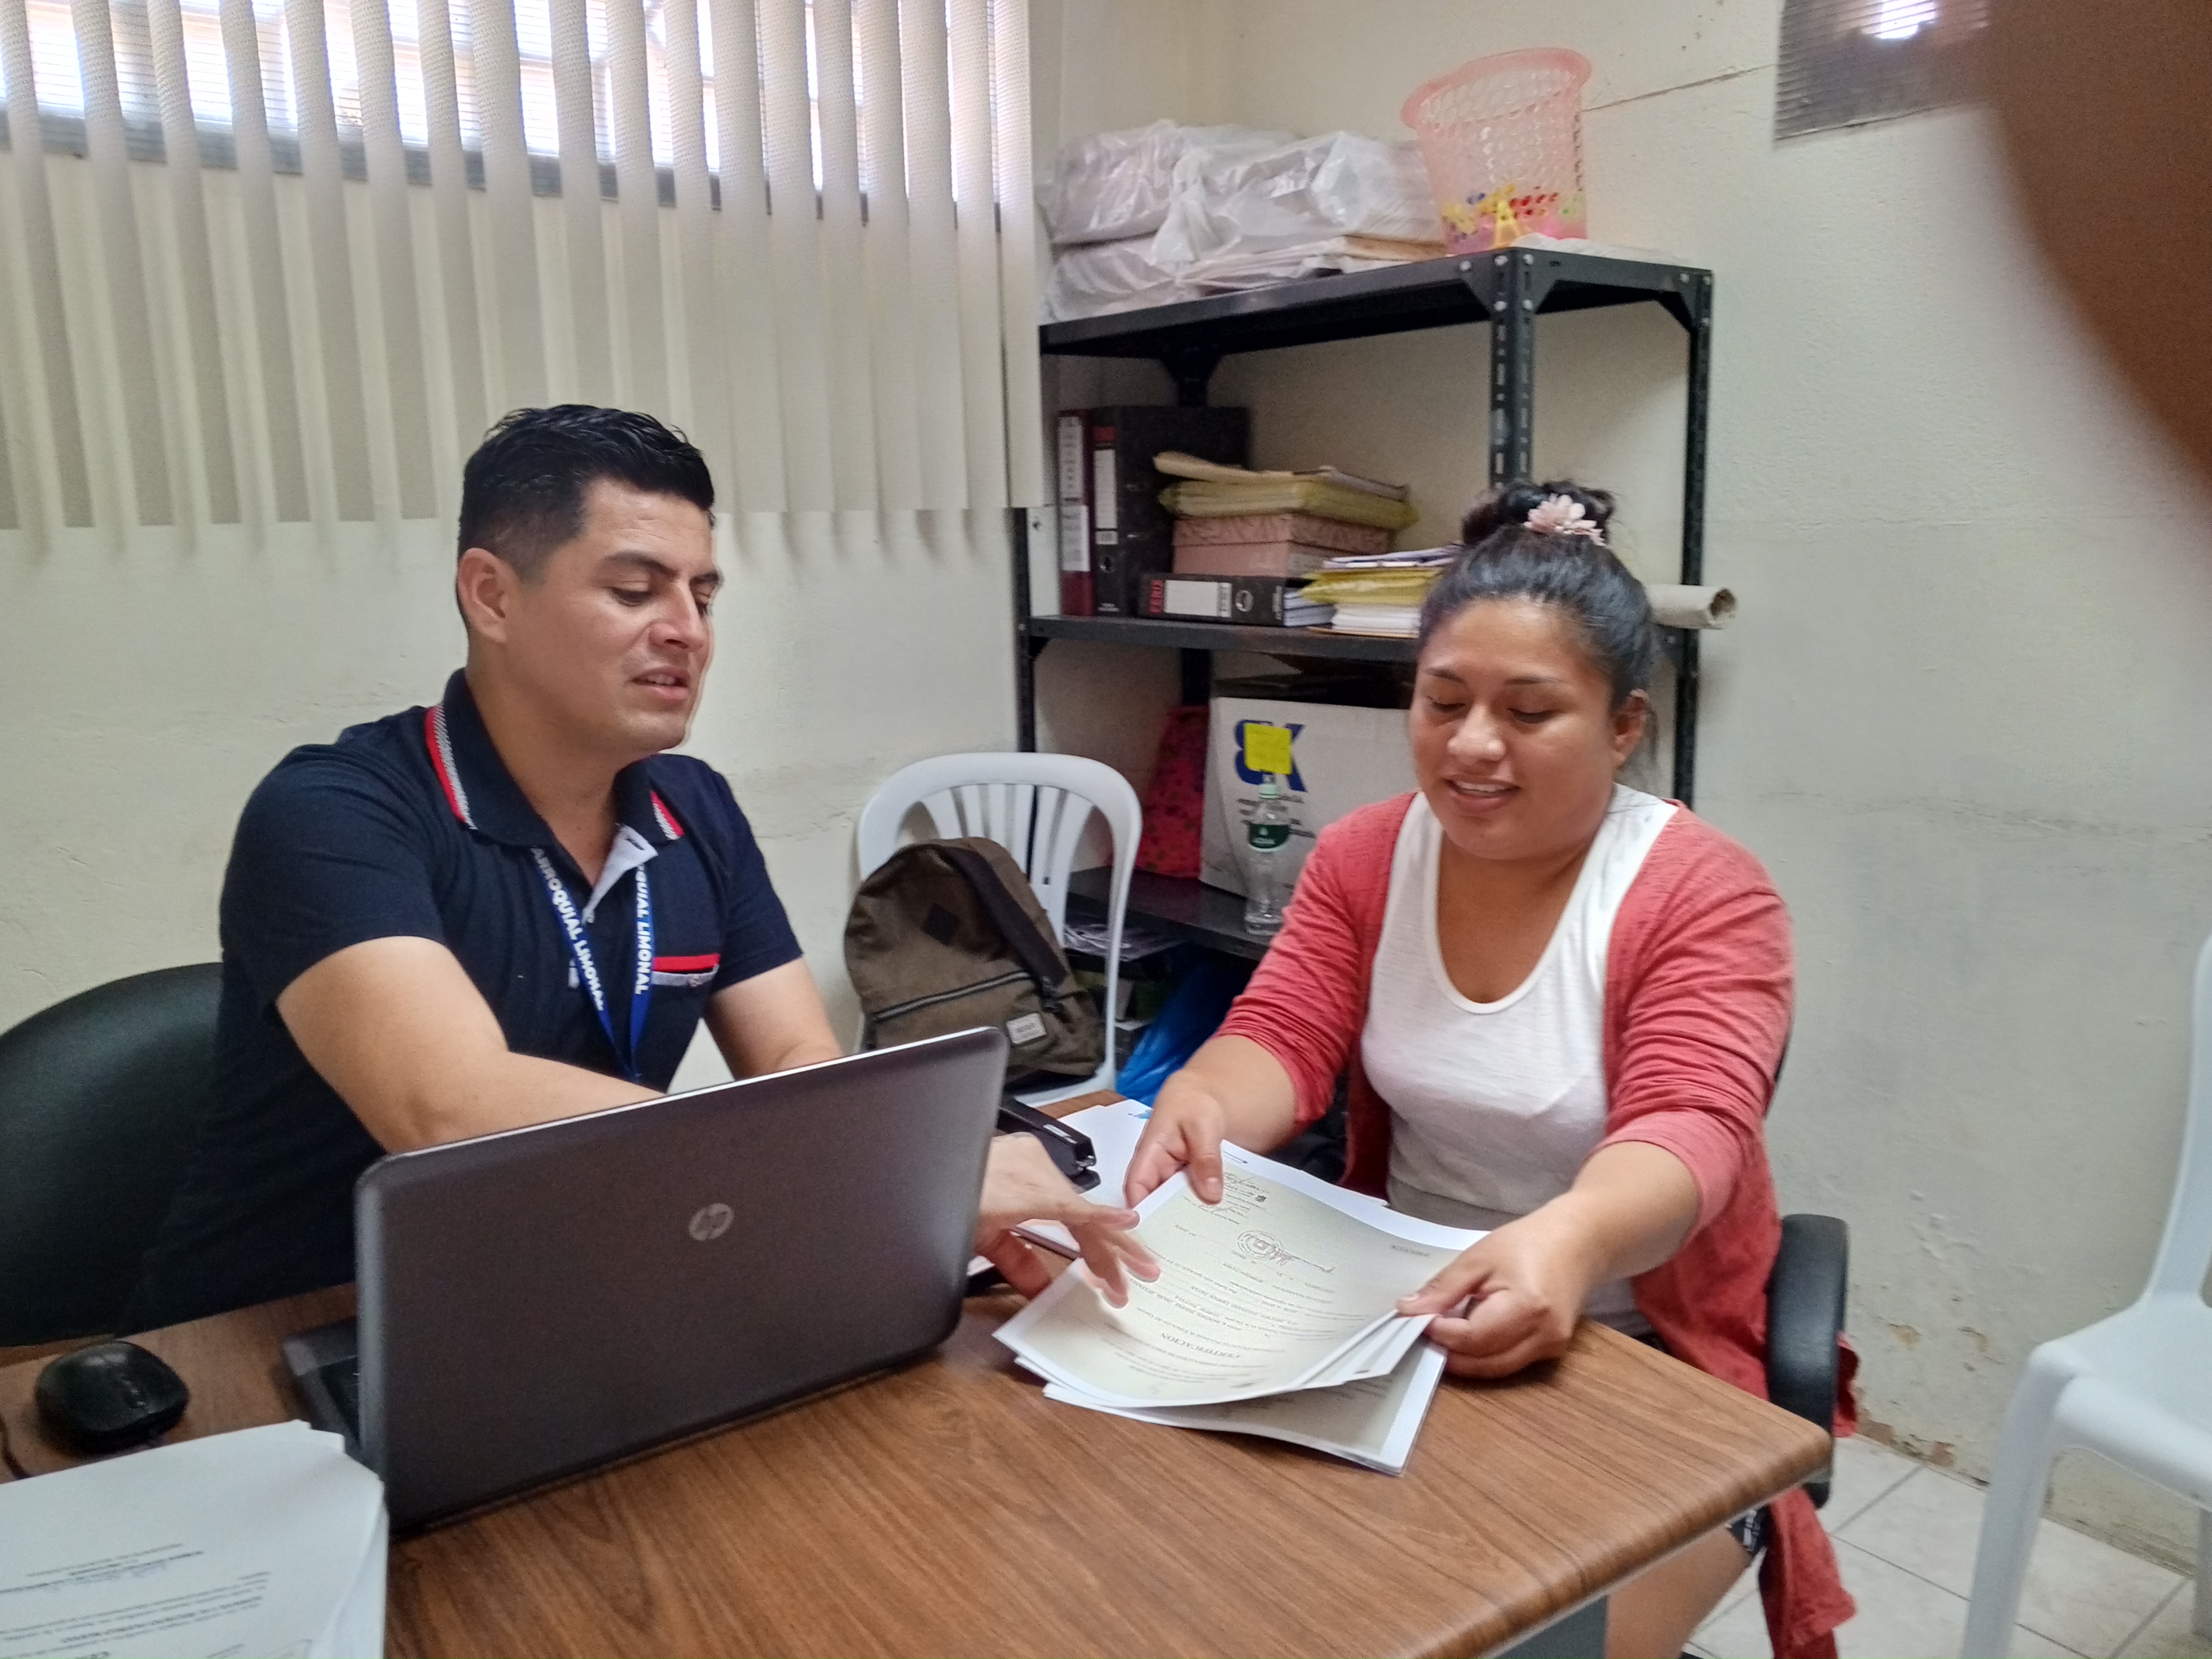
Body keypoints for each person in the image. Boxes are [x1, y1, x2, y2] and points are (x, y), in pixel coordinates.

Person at [124, 405, 1152, 1332]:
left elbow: (794, 1059)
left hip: (563, 1288)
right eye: (633, 590)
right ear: (491, 595)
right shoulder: (334, 811)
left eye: (702, 595)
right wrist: (882, 1176)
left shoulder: (692, 807)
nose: (688, 633)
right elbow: (447, 1106)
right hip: (283, 1339)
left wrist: (916, 1175)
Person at [1122, 482, 1852, 1659]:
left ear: (1624, 725)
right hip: (1397, 1320)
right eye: (1443, 700)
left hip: (1639, 1356)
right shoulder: (1365, 854)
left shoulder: (1703, 893)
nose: (1470, 744)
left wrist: (1567, 1243)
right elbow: (1286, 1030)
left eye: (1529, 711)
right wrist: (1203, 1100)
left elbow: (1693, 1124)